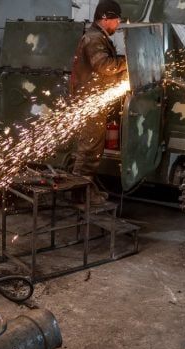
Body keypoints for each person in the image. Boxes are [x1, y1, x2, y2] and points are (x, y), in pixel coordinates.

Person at [71, 0, 127, 205]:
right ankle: (80, 195)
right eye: (116, 20)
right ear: (105, 18)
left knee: (91, 149)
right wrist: (128, 64)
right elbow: (103, 65)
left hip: (93, 100)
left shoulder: (99, 36)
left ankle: (84, 190)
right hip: (90, 102)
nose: (118, 25)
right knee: (89, 150)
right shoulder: (94, 38)